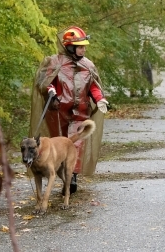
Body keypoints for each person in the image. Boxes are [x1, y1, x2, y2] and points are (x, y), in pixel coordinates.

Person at [31, 25, 108, 194]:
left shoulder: (88, 65)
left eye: (84, 46)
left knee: (77, 142)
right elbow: (44, 81)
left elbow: (93, 86)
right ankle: (60, 173)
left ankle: (72, 175)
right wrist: (50, 90)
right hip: (57, 112)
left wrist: (100, 99)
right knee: (60, 144)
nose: (83, 49)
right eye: (80, 46)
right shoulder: (54, 62)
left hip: (80, 112)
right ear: (70, 46)